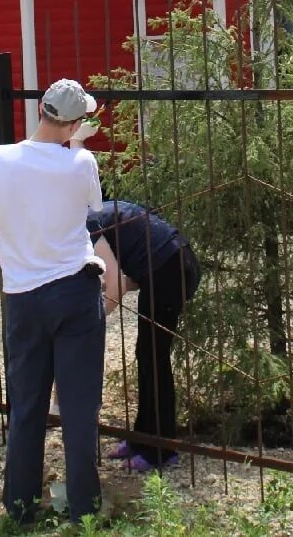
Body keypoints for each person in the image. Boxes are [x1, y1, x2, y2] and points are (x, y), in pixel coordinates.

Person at [0, 79, 106, 526]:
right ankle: (84, 506)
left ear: (40, 110)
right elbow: (91, 208)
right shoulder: (82, 162)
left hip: (24, 294)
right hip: (76, 290)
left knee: (27, 404)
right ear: (75, 123)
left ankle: (21, 507)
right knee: (80, 406)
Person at [89, 200, 200, 474]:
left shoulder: (87, 224)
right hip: (167, 267)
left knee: (155, 359)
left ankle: (161, 451)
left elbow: (114, 288)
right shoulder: (98, 213)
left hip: (171, 270)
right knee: (147, 355)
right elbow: (133, 272)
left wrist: (90, 320)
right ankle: (143, 438)